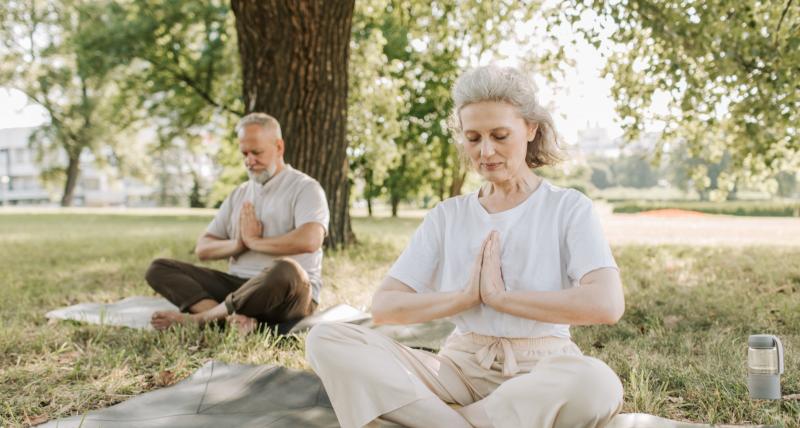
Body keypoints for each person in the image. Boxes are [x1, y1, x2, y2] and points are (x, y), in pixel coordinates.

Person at [305, 66, 625, 428]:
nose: (485, 151)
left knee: (597, 384)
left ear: (531, 129)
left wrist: (500, 298)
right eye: (473, 138)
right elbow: (385, 306)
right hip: (458, 368)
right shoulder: (447, 215)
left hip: (543, 368)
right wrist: (464, 298)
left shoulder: (568, 207)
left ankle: (434, 421)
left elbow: (607, 304)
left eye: (500, 135)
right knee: (327, 338)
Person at [146, 112, 329, 334]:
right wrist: (238, 244)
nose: (249, 161)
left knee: (286, 269)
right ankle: (228, 320)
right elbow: (203, 248)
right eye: (245, 153)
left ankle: (203, 319)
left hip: (286, 294)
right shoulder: (239, 194)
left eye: (257, 152)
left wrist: (254, 241)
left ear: (279, 147)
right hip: (238, 287)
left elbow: (310, 240)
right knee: (159, 268)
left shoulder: (305, 188)